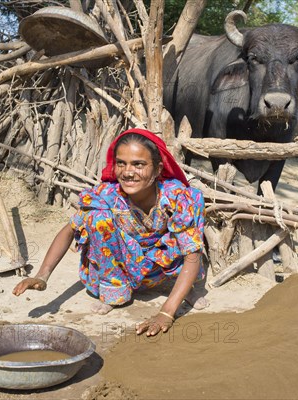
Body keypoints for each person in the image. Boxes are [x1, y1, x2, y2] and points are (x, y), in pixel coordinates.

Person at [13, 128, 208, 336]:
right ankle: (114, 292)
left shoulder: (178, 196)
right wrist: (42, 276)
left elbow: (192, 254)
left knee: (186, 239)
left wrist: (167, 312)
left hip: (163, 272)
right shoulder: (106, 196)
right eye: (121, 163)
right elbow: (69, 230)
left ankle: (185, 288)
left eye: (139, 164)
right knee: (97, 218)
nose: (128, 172)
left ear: (158, 169)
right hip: (124, 271)